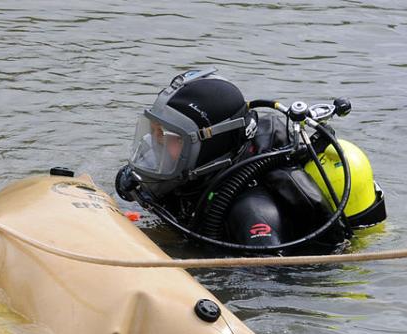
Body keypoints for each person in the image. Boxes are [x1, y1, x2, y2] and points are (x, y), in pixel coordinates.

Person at [114, 68, 387, 254]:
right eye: (155, 131)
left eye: (169, 137)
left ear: (209, 146)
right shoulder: (190, 172)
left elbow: (261, 291)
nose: (156, 143)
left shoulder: (252, 212)